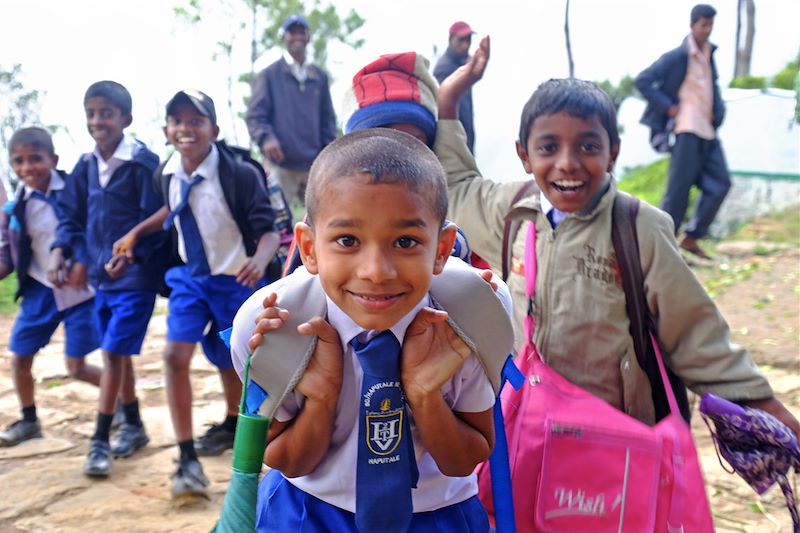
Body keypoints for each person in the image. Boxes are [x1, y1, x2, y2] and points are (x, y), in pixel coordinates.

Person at [437, 39, 800, 434]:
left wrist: (760, 403)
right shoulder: (511, 211)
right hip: (531, 429)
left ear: (613, 154)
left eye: (588, 146)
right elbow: (456, 186)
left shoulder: (639, 227)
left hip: (616, 438)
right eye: (549, 147)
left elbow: (694, 333)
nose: (568, 163)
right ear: (524, 155)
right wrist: (448, 99)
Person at [230, 128, 503, 532]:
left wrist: (426, 395)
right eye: (346, 240)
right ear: (308, 248)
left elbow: (468, 459)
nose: (376, 272)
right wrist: (321, 398)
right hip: (309, 513)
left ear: (442, 249)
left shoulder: (471, 316)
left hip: (437, 516)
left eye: (406, 241)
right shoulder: (274, 323)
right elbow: (285, 459)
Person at [113, 89, 280, 498]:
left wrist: (259, 261)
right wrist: (135, 233)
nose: (185, 129)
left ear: (214, 129)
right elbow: (172, 209)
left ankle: (239, 432)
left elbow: (270, 231)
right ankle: (186, 459)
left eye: (195, 121)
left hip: (236, 281)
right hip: (190, 279)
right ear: (167, 130)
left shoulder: (239, 174)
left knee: (239, 363)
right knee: (175, 356)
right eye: (177, 121)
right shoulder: (168, 173)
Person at [48, 80, 166, 477]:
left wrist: (134, 252)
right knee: (116, 353)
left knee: (113, 353)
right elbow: (71, 218)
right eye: (91, 114)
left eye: (106, 114)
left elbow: (161, 219)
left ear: (125, 119)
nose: (98, 121)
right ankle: (132, 425)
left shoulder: (142, 164)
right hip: (102, 280)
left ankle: (99, 441)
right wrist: (65, 253)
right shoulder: (84, 167)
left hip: (135, 280)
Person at [0, 127, 100, 447]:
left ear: (53, 160)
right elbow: (8, 254)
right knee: (20, 357)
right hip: (38, 290)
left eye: (35, 159)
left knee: (77, 366)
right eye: (18, 161)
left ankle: (125, 407)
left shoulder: (75, 190)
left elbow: (91, 231)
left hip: (79, 291)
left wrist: (83, 264)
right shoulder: (16, 207)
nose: (27, 167)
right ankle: (29, 420)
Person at [635, 4, 730, 260]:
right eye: (704, 25)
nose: (708, 30)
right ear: (693, 25)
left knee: (721, 183)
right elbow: (642, 80)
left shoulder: (710, 55)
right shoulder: (677, 57)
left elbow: (714, 89)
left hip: (707, 131)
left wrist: (719, 112)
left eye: (711, 25)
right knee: (678, 192)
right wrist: (669, 108)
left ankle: (691, 237)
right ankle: (660, 250)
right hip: (685, 129)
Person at [246, 14, 337, 208]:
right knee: (277, 222)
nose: (297, 37)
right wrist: (266, 139)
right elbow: (256, 116)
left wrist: (328, 151)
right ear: (284, 38)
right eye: (291, 33)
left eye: (301, 32)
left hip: (314, 164)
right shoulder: (270, 75)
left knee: (324, 217)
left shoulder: (318, 77)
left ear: (308, 37)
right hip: (282, 165)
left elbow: (328, 118)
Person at [433, 21, 477, 153]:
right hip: (454, 145)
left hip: (464, 141)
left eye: (468, 40)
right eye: (461, 40)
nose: (465, 45)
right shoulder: (444, 68)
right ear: (450, 40)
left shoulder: (462, 66)